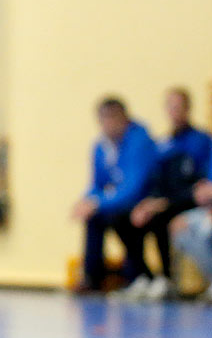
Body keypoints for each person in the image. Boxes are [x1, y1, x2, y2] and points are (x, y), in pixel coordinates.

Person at [126, 88, 212, 299]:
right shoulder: (163, 144)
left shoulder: (200, 141)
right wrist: (147, 203)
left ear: (188, 109)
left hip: (189, 201)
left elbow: (202, 183)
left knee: (172, 222)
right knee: (126, 218)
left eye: (179, 107)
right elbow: (155, 180)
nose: (175, 111)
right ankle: (148, 277)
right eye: (171, 107)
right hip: (169, 201)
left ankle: (169, 278)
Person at [70, 97, 157, 293]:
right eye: (103, 119)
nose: (107, 124)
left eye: (112, 118)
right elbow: (97, 184)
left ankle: (139, 275)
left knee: (118, 216)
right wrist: (86, 201)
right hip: (118, 201)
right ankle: (92, 278)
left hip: (142, 201)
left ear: (124, 118)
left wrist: (98, 202)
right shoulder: (101, 146)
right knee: (94, 217)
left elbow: (134, 188)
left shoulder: (139, 141)